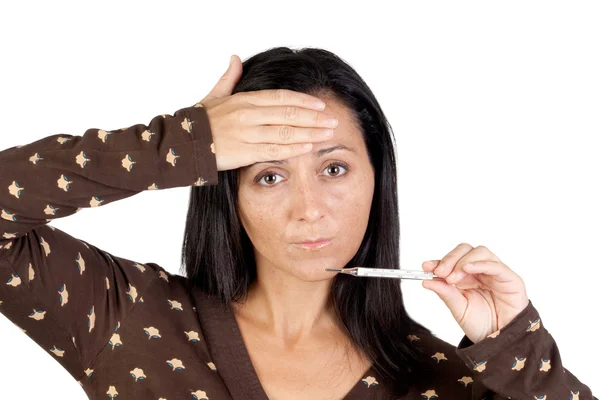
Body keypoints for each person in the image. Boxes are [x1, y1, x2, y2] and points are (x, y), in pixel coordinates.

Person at [0, 47, 595, 400]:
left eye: (333, 167)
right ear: (226, 189)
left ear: (376, 178)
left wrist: (515, 346)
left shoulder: (445, 381)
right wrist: (181, 142)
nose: (309, 208)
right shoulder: (127, 319)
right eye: (269, 176)